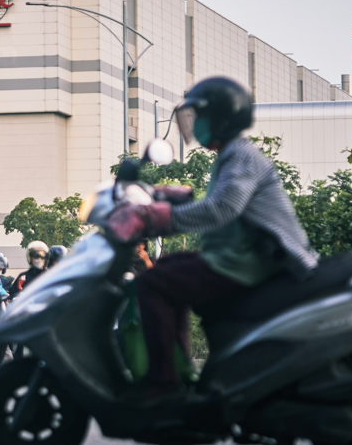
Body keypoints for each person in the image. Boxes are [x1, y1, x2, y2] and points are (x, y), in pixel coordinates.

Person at [109, 77, 317, 396]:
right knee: (165, 270)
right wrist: (168, 197)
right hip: (237, 257)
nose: (196, 124)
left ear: (222, 118)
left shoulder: (241, 156)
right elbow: (219, 205)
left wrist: (155, 217)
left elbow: (221, 209)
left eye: (201, 116)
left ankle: (162, 384)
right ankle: (178, 370)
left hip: (250, 262)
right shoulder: (231, 156)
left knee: (152, 284)